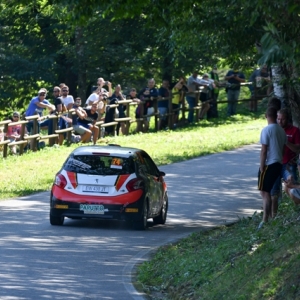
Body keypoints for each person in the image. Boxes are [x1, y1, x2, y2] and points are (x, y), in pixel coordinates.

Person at [258, 107, 287, 229]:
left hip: (269, 164)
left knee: (265, 192)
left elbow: (264, 150)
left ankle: (265, 219)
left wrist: (261, 166)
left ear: (266, 116)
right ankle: (269, 216)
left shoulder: (266, 130)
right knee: (269, 192)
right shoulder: (281, 130)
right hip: (278, 163)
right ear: (276, 116)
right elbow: (284, 148)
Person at [270, 108, 300, 207]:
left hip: (289, 164)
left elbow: (297, 149)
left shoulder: (295, 131)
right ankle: (274, 215)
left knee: (292, 187)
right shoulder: (274, 130)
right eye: (278, 119)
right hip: (276, 163)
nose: (280, 121)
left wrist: (286, 141)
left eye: (282, 119)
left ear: (287, 119)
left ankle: (295, 208)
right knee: (274, 191)